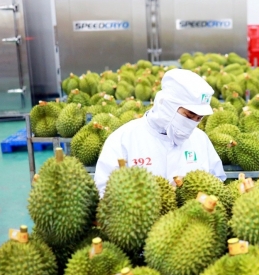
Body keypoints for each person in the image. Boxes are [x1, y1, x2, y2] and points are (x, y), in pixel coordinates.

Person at [94, 69, 226, 196]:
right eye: (189, 116)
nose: (193, 123)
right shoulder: (122, 140)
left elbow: (217, 183)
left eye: (199, 118)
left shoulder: (200, 139)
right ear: (166, 105)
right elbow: (104, 192)